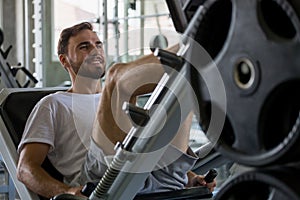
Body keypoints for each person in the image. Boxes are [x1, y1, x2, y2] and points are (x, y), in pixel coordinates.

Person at [17, 22, 216, 199]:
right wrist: (66, 192)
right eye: (84, 46)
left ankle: (205, 47)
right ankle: (203, 46)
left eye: (98, 44)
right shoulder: (53, 104)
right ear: (64, 60)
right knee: (117, 76)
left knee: (180, 89)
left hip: (154, 173)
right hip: (102, 181)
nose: (95, 51)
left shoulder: (119, 97)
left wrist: (191, 177)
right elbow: (25, 169)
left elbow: (143, 138)